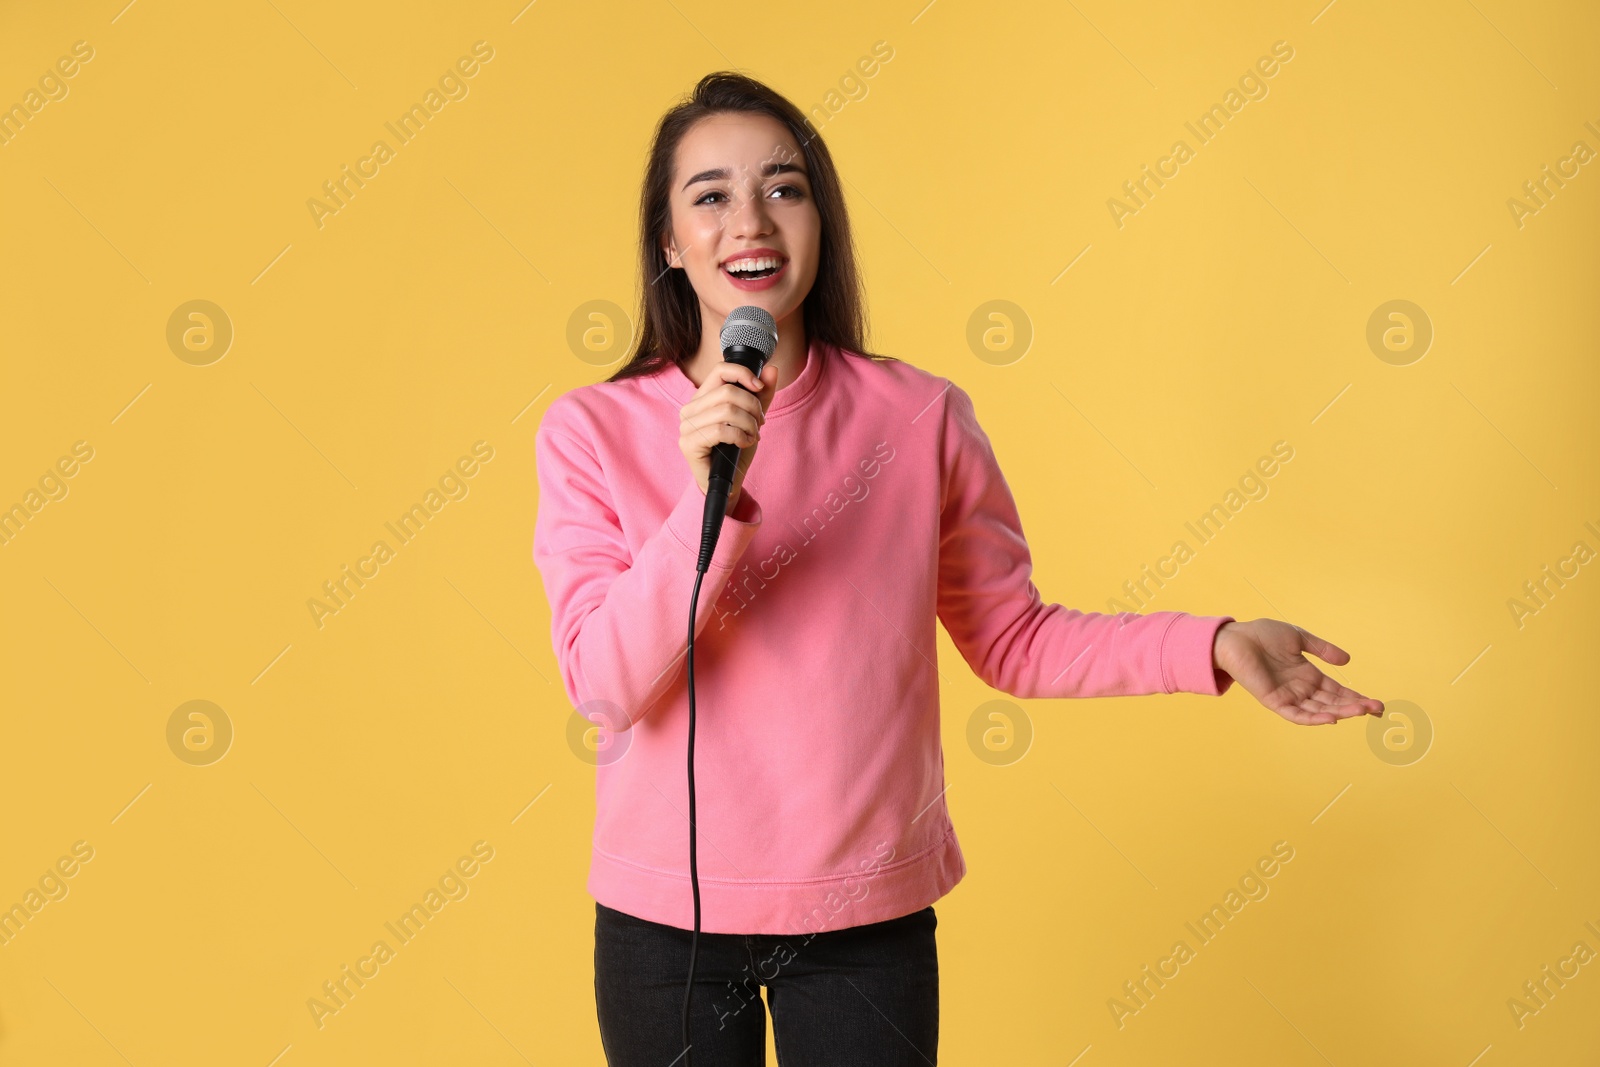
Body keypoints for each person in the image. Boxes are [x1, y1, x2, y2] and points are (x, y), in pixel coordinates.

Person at [531, 71, 1384, 1067]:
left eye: (784, 186)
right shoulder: (590, 430)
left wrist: (1216, 643)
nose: (749, 220)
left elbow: (1013, 637)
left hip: (864, 918)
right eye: (710, 195)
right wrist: (705, 500)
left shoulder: (918, 416)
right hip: (661, 926)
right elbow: (604, 683)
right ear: (669, 243)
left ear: (820, 221)